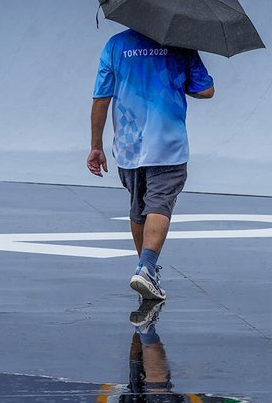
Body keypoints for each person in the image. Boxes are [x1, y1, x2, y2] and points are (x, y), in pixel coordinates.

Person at [87, 28, 215, 301]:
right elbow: (206, 90)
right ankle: (146, 268)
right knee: (160, 202)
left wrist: (96, 145)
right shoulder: (182, 44)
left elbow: (101, 98)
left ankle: (145, 268)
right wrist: (177, 79)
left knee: (138, 206)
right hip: (167, 143)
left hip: (128, 144)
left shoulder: (116, 45)